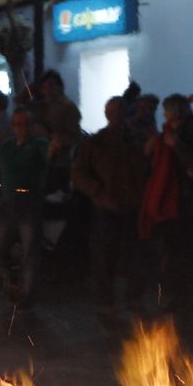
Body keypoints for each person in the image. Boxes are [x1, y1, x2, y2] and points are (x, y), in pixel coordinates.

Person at [72, 96, 145, 318]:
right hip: (107, 205)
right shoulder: (97, 142)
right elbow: (78, 172)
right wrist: (97, 193)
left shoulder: (136, 139)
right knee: (105, 256)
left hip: (133, 205)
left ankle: (133, 298)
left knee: (135, 255)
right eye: (113, 112)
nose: (117, 116)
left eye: (120, 111)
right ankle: (106, 301)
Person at [0, 107, 50, 309]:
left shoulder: (39, 145)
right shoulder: (7, 148)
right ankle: (11, 278)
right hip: (8, 204)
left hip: (29, 204)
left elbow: (51, 156)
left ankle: (26, 296)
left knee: (30, 251)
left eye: (25, 124)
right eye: (17, 124)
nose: (21, 128)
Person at [141, 94, 193, 315]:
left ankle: (185, 296)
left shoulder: (184, 133)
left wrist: (175, 145)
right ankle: (184, 295)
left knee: (180, 251)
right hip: (178, 201)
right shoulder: (176, 131)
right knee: (178, 250)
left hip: (182, 202)